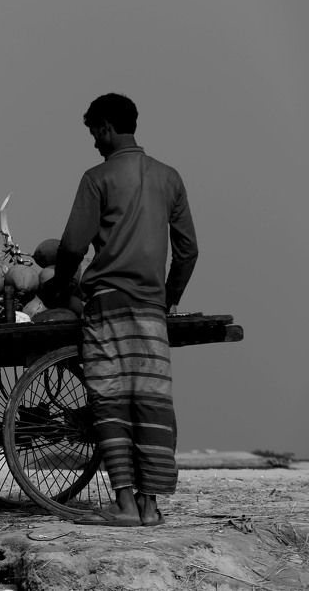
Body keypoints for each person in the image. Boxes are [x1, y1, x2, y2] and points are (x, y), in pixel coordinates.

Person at [40, 93, 198, 527]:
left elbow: (72, 245)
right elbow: (188, 251)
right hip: (150, 312)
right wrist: (169, 297)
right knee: (151, 402)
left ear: (107, 127)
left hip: (107, 308)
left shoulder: (97, 178)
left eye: (94, 132)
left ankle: (124, 503)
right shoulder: (170, 177)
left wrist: (58, 285)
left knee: (110, 401)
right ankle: (150, 506)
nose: (94, 141)